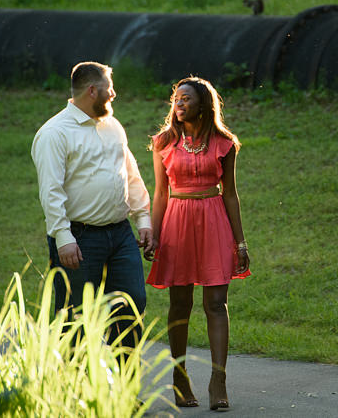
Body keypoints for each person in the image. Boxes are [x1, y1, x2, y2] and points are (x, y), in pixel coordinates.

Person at [31, 61, 153, 356]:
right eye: (110, 90)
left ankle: (123, 392)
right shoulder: (54, 133)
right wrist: (64, 238)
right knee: (75, 318)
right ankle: (75, 394)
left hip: (121, 235)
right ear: (92, 90)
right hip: (79, 238)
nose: (114, 95)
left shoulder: (112, 125)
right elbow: (51, 191)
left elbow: (130, 172)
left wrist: (144, 219)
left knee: (131, 304)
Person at [144, 76, 250, 410]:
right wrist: (154, 234)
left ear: (203, 104)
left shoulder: (224, 143)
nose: (179, 103)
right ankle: (179, 376)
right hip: (177, 222)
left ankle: (218, 380)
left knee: (216, 303)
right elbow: (160, 193)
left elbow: (231, 195)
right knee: (179, 304)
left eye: (186, 98)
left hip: (214, 220)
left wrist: (241, 243)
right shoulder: (163, 142)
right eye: (176, 98)